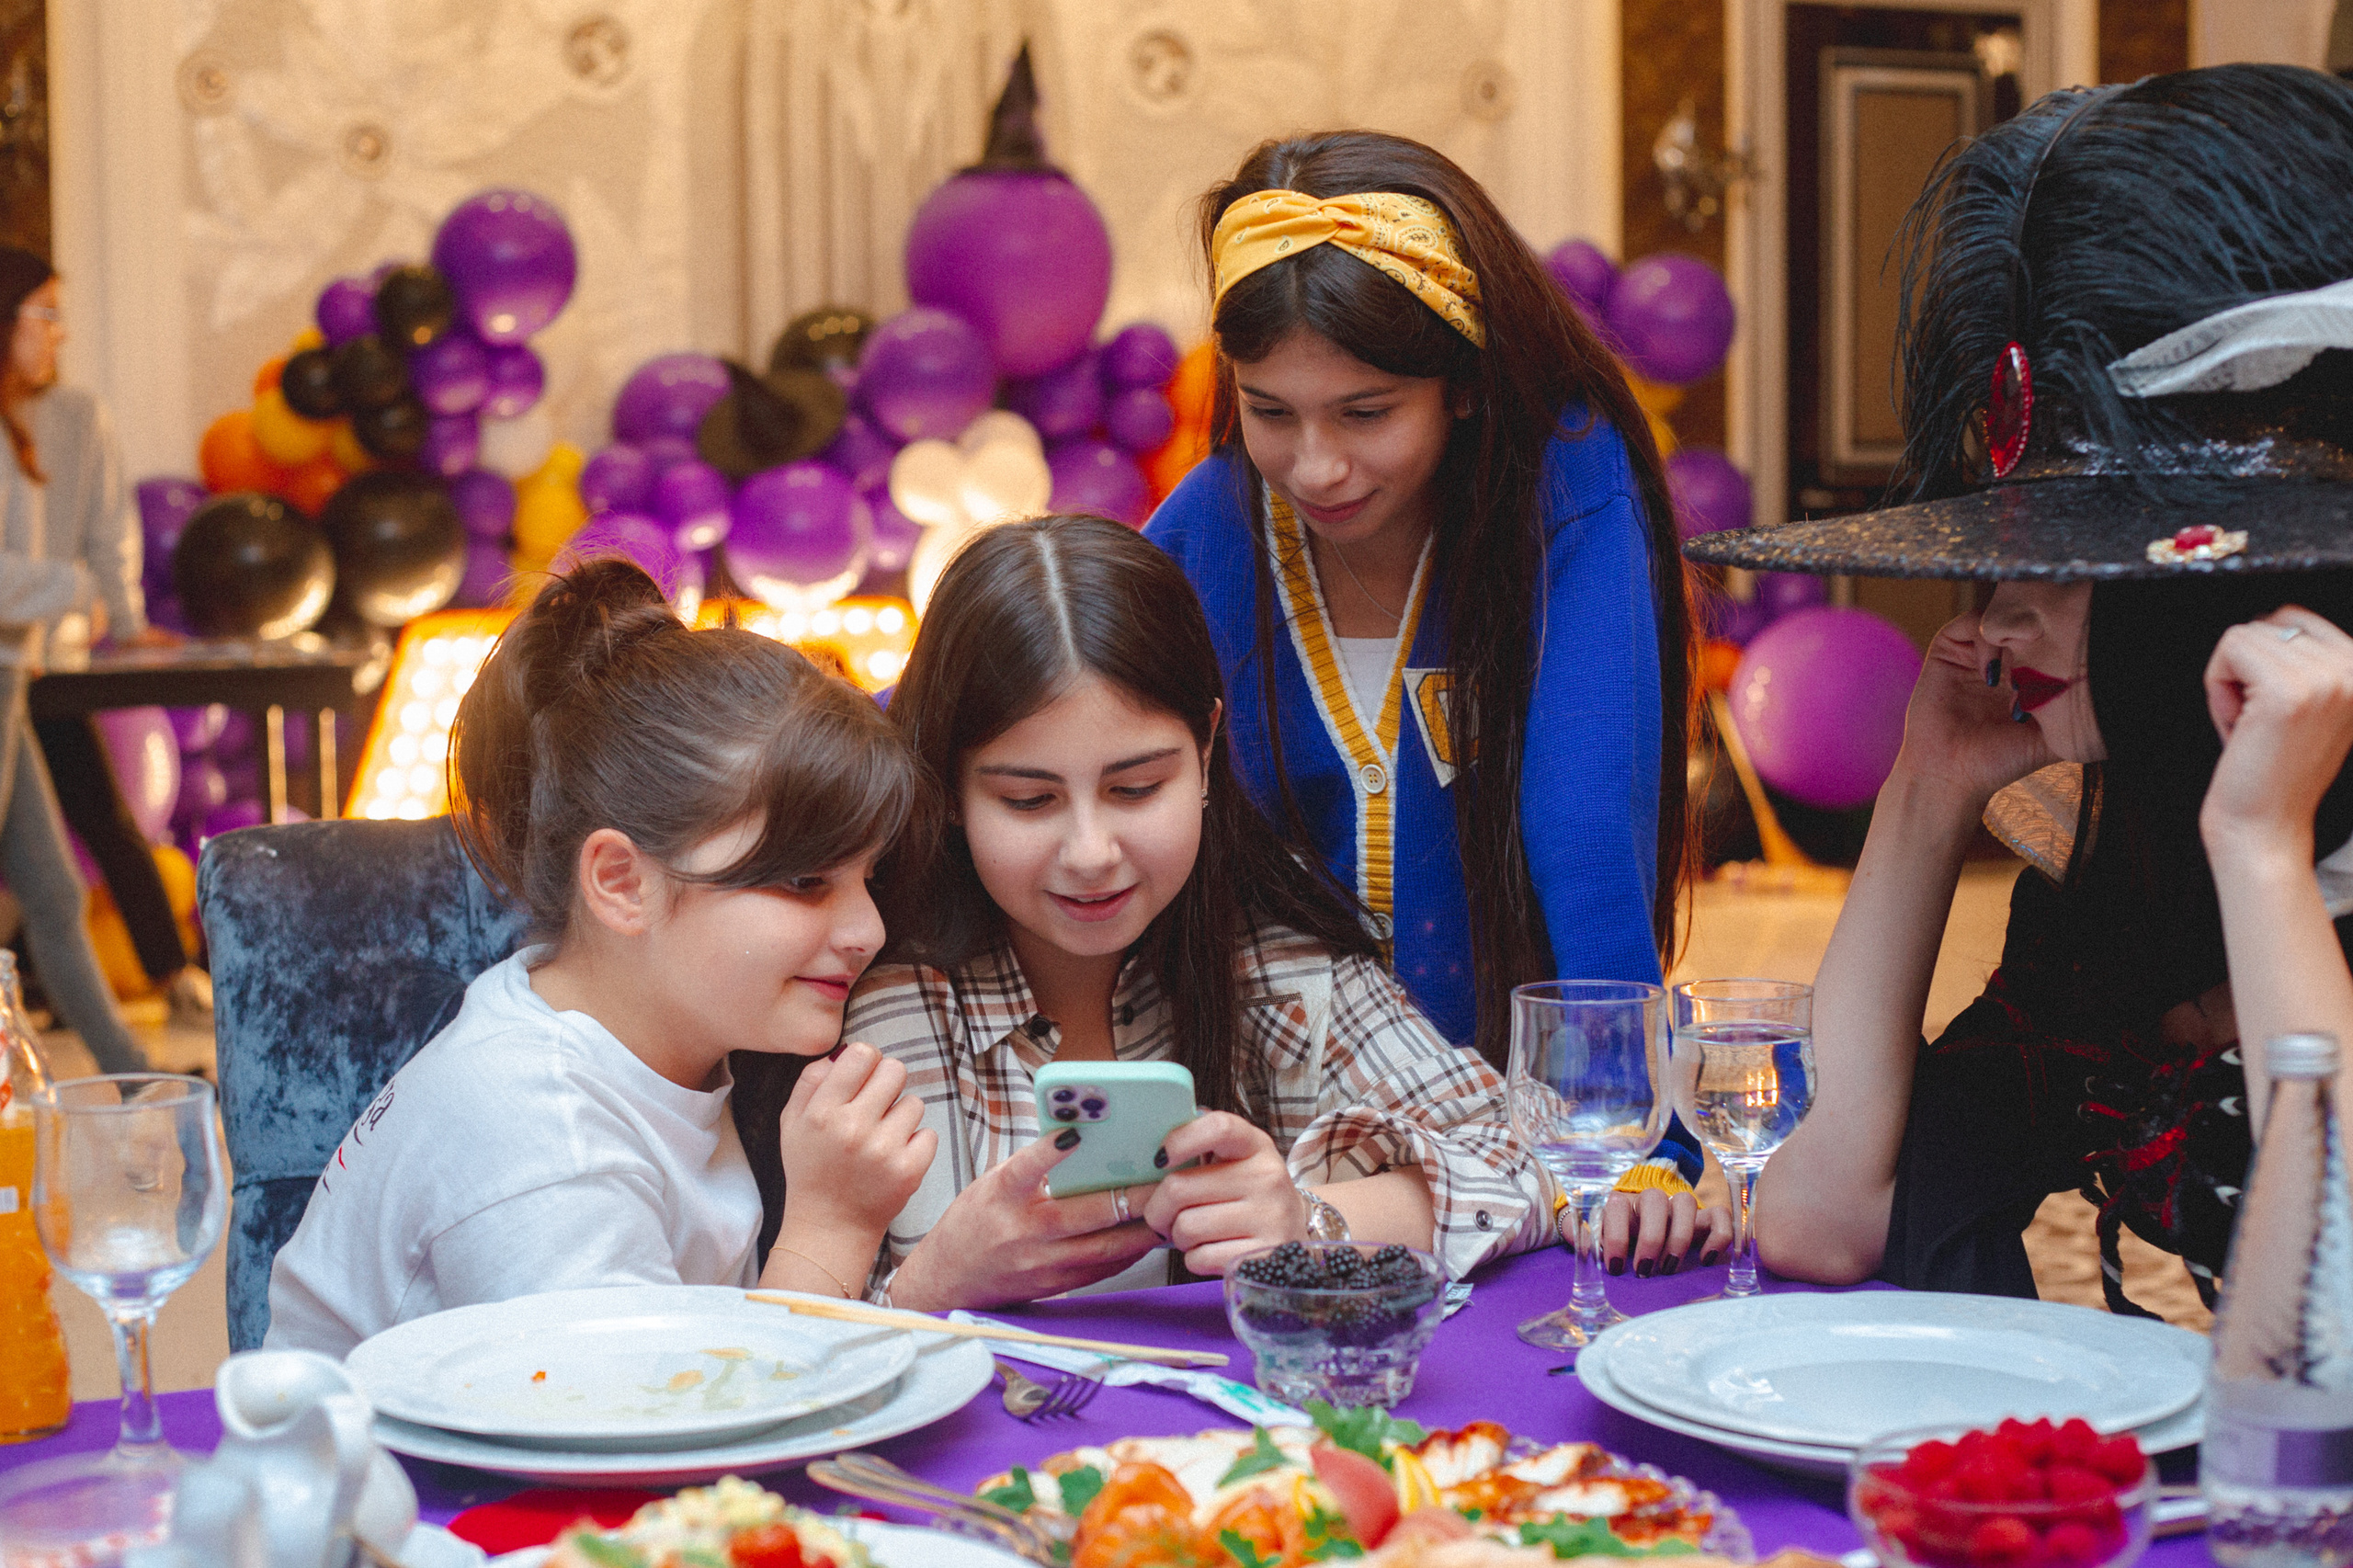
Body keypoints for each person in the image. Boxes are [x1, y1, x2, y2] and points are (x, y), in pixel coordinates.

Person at [1682, 63, 2353, 1313]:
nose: (1999, 615)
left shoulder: (2258, 830)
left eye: (2072, 557)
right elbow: (1822, 1214)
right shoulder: (2134, 858)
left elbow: (2336, 1322)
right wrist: (1925, 788)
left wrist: (2265, 854)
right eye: (2004, 551)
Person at [1144, 131, 1719, 1276]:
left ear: (1461, 382)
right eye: (1270, 411)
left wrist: (1639, 1134)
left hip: (1516, 1139)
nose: (1314, 467)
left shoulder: (1564, 480)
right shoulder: (1210, 522)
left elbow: (1585, 824)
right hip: (1258, 1134)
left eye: (1365, 413)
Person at [844, 515, 1552, 1309]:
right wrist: (936, 1282)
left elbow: (1543, 1152)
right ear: (949, 792)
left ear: (1207, 748)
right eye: (1029, 800)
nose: (1090, 852)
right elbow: (781, 1332)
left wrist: (1307, 1218)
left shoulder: (1274, 959)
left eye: (1136, 788)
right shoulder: (893, 1002)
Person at [266, 559, 934, 1355]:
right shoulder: (541, 1138)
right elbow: (663, 1436)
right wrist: (831, 1228)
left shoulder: (616, 1035)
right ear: (622, 882)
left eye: (868, 876)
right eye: (804, 880)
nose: (868, 929)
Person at [0, 248, 199, 1014]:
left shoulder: (77, 418)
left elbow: (108, 527)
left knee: (100, 821)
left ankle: (171, 974)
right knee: (44, 875)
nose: (59, 333)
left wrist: (124, 619)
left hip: (51, 666)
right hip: (10, 662)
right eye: (45, 314)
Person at [0, 256, 149, 1074]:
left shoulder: (27, 423)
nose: (58, 334)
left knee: (54, 891)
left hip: (11, 677)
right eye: (44, 315)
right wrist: (76, 585)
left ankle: (129, 1074)